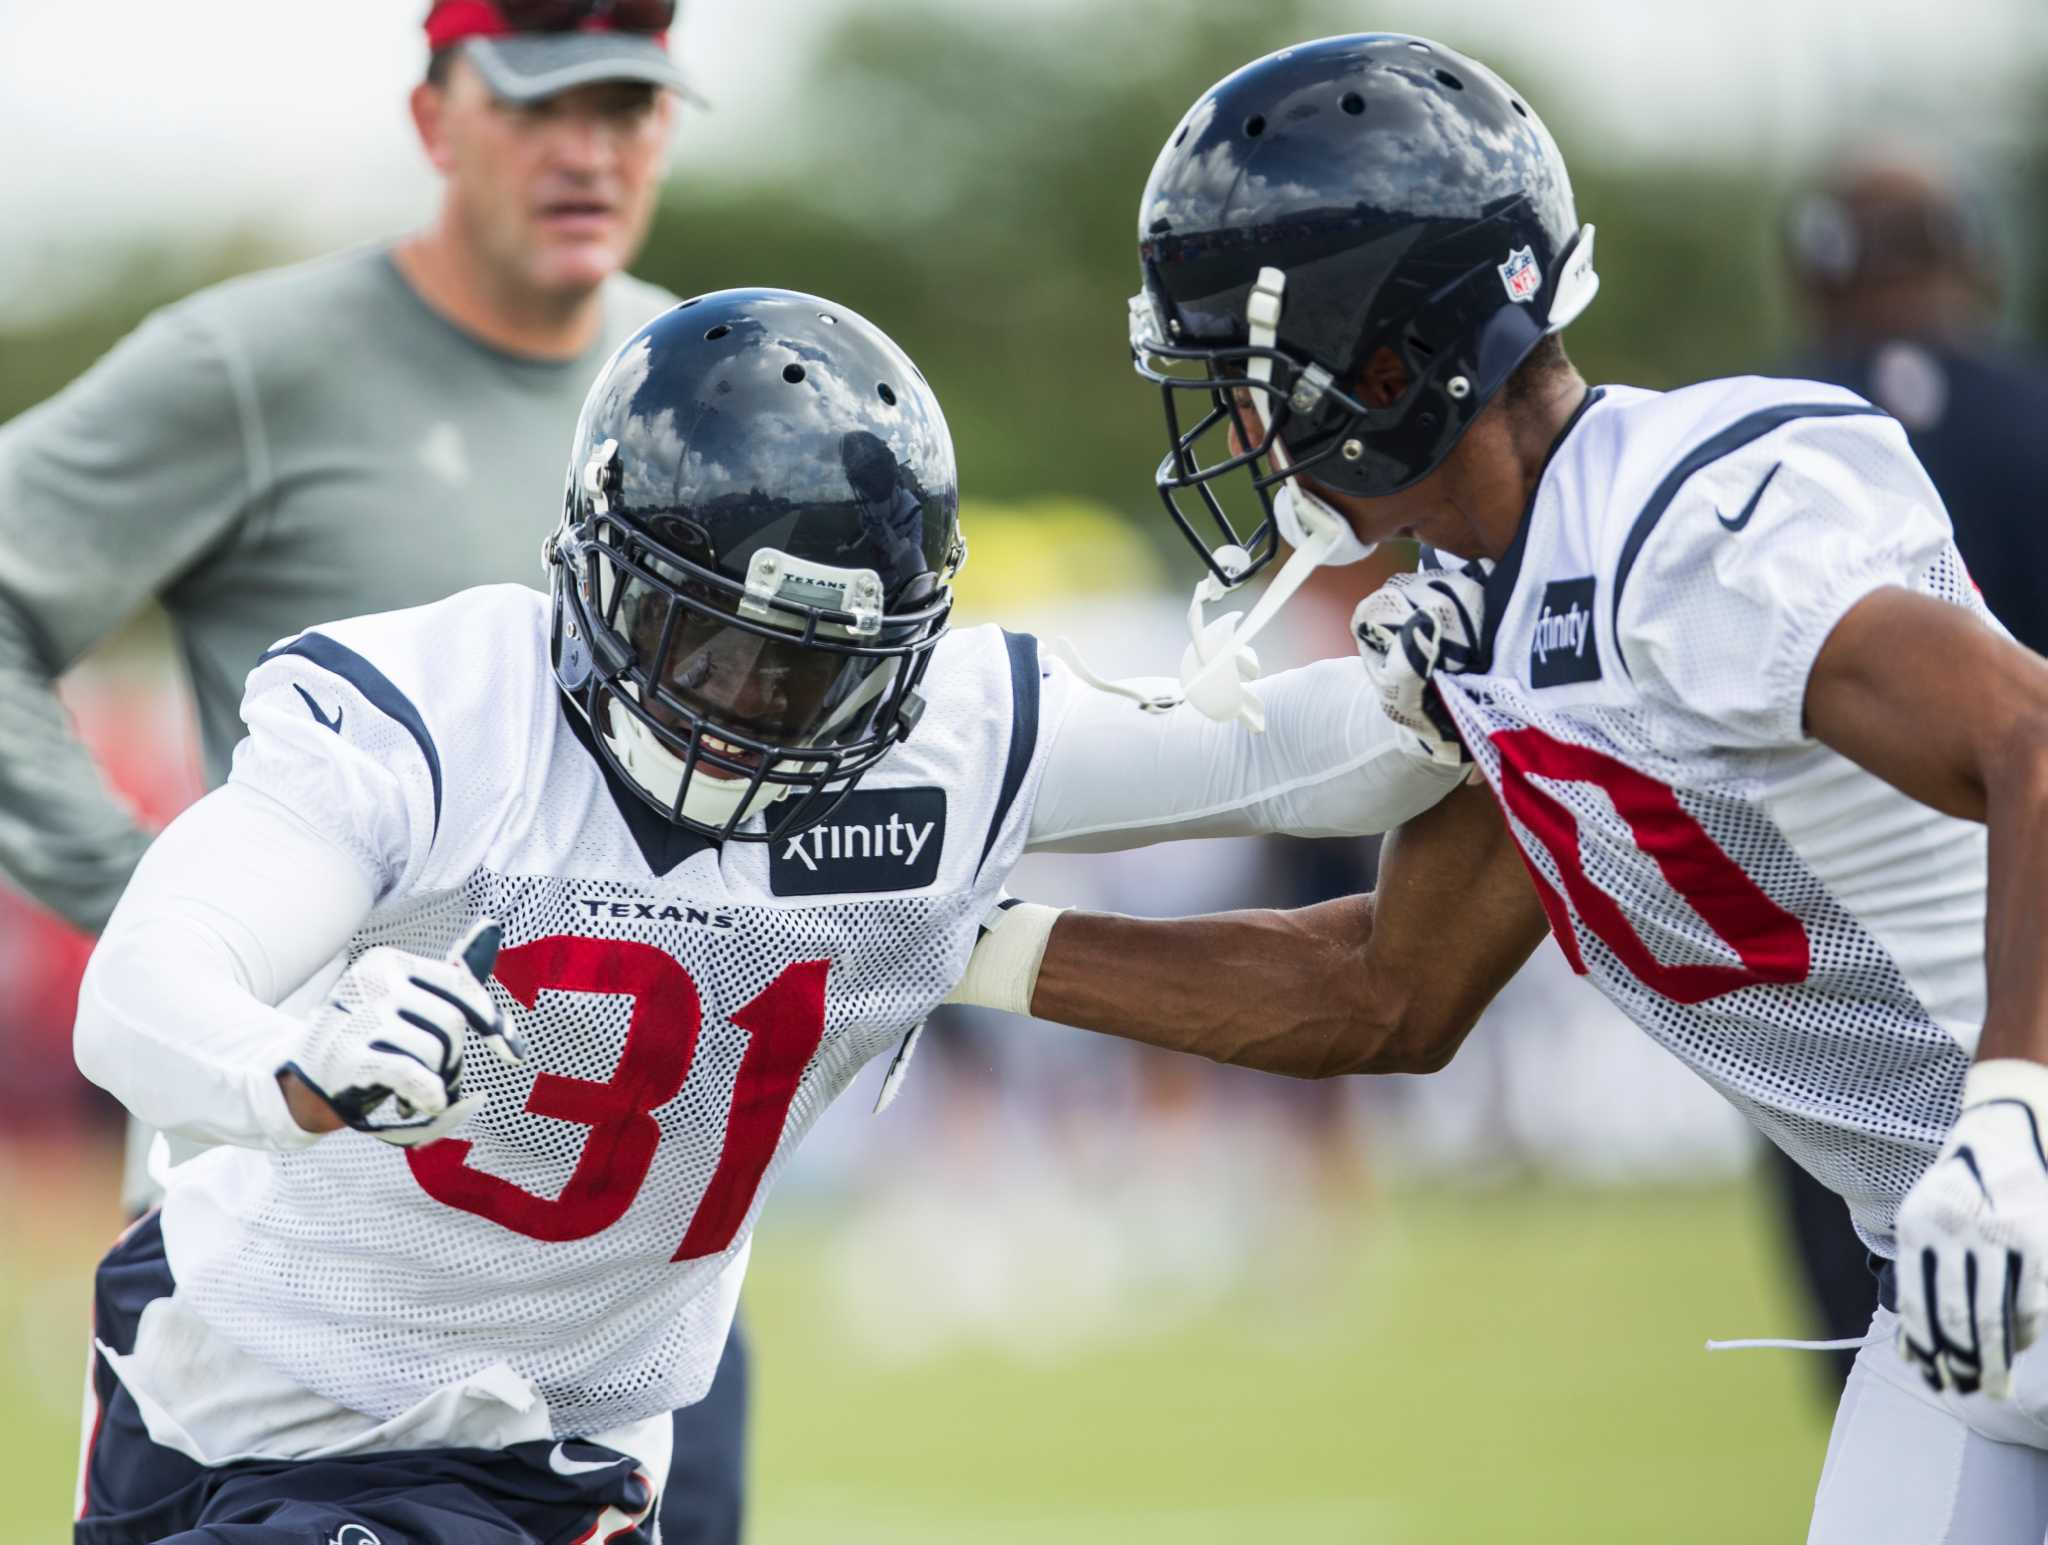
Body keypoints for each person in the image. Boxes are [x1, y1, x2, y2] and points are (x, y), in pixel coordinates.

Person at [69, 289, 1466, 1543]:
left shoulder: (950, 743)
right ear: (600, 575)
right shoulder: (445, 706)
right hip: (207, 1370)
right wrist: (288, 1067)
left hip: (525, 1453)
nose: (752, 712)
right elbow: (146, 981)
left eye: (813, 677)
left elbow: (1301, 754)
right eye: (716, 647)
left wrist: (1461, 658)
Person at [938, 35, 2048, 1542]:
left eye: (1255, 380)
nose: (1243, 433)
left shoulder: (1681, 520)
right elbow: (1387, 994)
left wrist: (2015, 1109)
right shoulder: (1509, 599)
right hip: (1955, 1250)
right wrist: (963, 944)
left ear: (1382, 368)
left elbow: (2034, 737)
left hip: (2007, 1179)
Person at [0, 3, 756, 1536]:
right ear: (433, 119)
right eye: (538, 104)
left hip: (630, 1252)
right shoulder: (251, 364)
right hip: (304, 1234)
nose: (587, 151)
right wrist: (154, 901)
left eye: (628, 107)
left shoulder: (716, 385)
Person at [1760, 148, 2048, 1392]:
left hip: (1834, 962)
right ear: (1967, 254)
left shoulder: (1749, 446)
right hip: (2027, 942)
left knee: (1887, 1368)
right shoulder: (2031, 414)